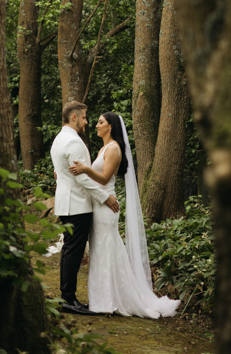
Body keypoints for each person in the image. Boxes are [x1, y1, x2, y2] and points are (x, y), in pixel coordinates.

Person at [70, 111, 180, 319]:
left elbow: (103, 179)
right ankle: (102, 298)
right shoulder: (104, 147)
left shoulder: (113, 148)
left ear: (110, 126)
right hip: (99, 203)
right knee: (101, 249)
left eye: (100, 122)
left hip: (106, 206)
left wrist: (85, 169)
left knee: (106, 249)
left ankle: (109, 300)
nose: (96, 125)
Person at [50, 100, 119, 316]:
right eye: (84, 118)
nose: (86, 122)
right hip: (77, 204)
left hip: (66, 202)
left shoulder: (59, 139)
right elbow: (81, 179)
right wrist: (104, 197)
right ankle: (68, 299)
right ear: (74, 117)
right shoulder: (74, 142)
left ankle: (67, 296)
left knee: (70, 250)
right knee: (73, 251)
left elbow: (61, 172)